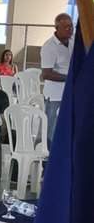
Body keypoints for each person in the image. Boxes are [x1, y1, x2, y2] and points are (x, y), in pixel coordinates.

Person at [40, 13, 74, 142]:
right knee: (52, 129)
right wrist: (69, 78)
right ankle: (49, 158)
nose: (70, 29)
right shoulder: (49, 47)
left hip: (70, 92)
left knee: (67, 127)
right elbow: (46, 73)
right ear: (57, 28)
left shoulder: (73, 41)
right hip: (55, 95)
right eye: (66, 27)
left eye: (71, 25)